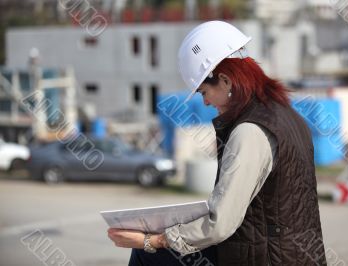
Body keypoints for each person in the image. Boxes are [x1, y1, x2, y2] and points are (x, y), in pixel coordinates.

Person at [108, 20, 327, 266]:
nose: (205, 103)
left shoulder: (250, 131)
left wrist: (153, 240)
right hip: (289, 256)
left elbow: (220, 223)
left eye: (203, 92)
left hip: (265, 259)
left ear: (225, 80)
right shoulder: (287, 116)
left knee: (148, 256)